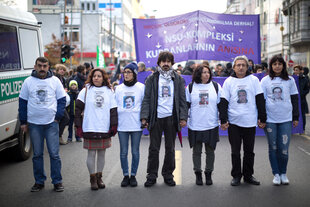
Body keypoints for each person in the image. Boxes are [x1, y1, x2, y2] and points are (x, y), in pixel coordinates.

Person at [19, 57, 66, 192]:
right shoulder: (28, 82)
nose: (42, 69)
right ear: (35, 66)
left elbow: (62, 99)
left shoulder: (55, 81)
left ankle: (57, 181)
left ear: (48, 67)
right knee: (37, 155)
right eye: (39, 66)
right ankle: (39, 182)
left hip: (51, 123)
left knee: (54, 154)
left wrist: (58, 117)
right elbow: (22, 102)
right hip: (34, 124)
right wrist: (23, 122)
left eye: (45, 66)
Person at [140, 51, 188, 187]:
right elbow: (147, 99)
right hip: (156, 118)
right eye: (163, 61)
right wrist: (144, 117)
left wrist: (183, 117)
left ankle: (168, 175)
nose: (166, 64)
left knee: (170, 148)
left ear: (172, 63)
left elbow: (182, 100)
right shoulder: (152, 79)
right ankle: (151, 175)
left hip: (171, 118)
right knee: (153, 148)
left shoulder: (178, 79)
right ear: (159, 63)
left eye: (168, 61)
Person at [219, 55, 266, 186]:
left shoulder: (254, 80)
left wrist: (262, 118)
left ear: (247, 67)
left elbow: (260, 100)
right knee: (235, 151)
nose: (240, 67)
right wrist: (223, 120)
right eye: (238, 65)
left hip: (250, 121)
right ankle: (236, 176)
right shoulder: (229, 81)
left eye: (243, 65)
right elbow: (223, 102)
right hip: (234, 122)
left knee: (249, 151)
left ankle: (248, 175)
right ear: (234, 67)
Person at [75, 68, 118, 190]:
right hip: (89, 126)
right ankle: (92, 178)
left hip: (104, 127)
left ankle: (99, 177)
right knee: (91, 153)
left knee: (102, 153)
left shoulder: (109, 91)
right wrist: (78, 126)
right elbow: (77, 109)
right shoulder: (86, 90)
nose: (96, 78)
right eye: (94, 76)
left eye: (99, 76)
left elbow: (113, 110)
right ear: (91, 77)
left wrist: (114, 125)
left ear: (103, 78)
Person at [260, 55, 299, 185]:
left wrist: (296, 117)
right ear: (271, 66)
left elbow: (294, 98)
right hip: (270, 119)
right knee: (273, 147)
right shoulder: (265, 81)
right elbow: (261, 100)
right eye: (274, 64)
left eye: (279, 64)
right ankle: (276, 174)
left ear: (283, 66)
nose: (277, 66)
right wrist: (262, 118)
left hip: (286, 119)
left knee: (284, 149)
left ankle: (283, 173)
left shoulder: (290, 80)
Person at [186, 64, 222, 185]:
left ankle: (208, 174)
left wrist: (223, 120)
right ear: (198, 74)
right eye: (203, 72)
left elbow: (221, 105)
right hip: (195, 125)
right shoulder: (191, 87)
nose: (207, 74)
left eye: (208, 72)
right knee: (196, 151)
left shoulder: (216, 86)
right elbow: (186, 105)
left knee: (210, 151)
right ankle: (198, 174)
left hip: (211, 124)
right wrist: (183, 119)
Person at [115, 62, 145, 187]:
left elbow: (145, 105)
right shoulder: (118, 88)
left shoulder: (141, 87)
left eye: (129, 72)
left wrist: (144, 119)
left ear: (134, 74)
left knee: (135, 152)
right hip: (122, 124)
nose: (126, 74)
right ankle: (125, 175)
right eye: (124, 72)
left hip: (136, 124)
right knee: (123, 152)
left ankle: (133, 175)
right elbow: (114, 105)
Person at [55, 64, 70, 145]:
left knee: (64, 118)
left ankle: (58, 136)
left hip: (62, 102)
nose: (62, 71)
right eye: (61, 69)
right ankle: (58, 136)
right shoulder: (55, 78)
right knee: (65, 118)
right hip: (56, 102)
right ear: (57, 70)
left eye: (64, 70)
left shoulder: (63, 79)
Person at [294, 65, 309, 132]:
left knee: (302, 114)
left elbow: (307, 89)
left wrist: (301, 94)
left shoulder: (304, 79)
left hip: (302, 99)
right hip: (294, 99)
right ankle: (294, 128)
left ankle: (302, 128)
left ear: (300, 71)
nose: (295, 71)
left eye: (297, 70)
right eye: (294, 70)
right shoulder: (292, 78)